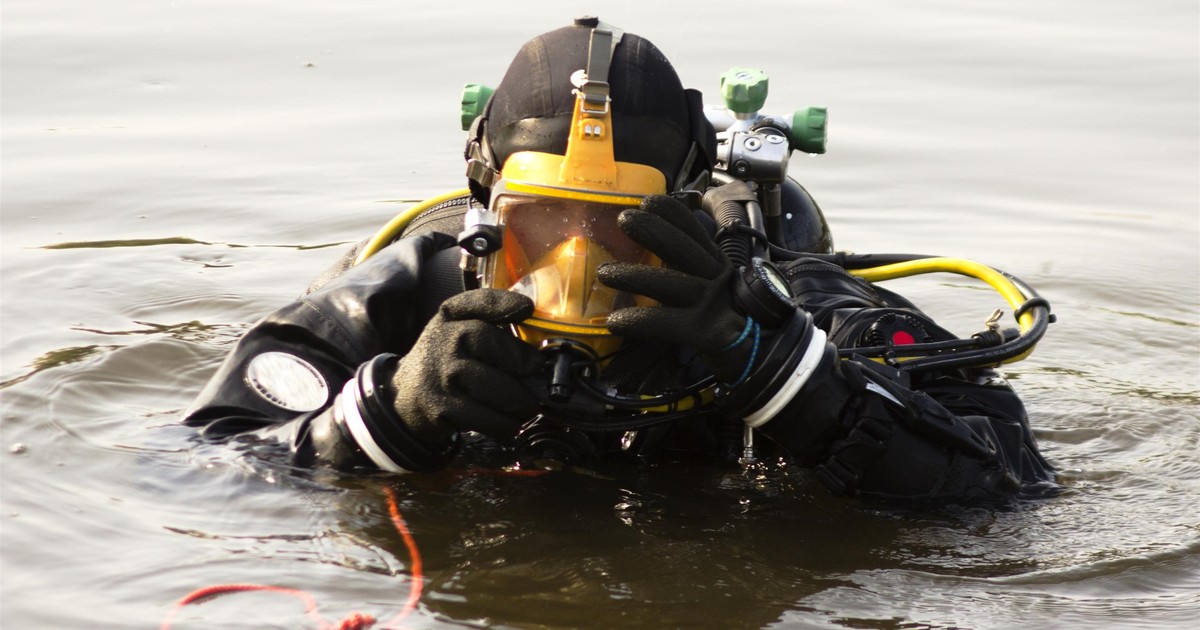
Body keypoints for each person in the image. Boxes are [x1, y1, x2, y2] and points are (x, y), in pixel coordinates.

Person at [184, 18, 1055, 502]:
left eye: (619, 224)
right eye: (543, 221)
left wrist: (784, 373)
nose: (576, 258)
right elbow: (192, 469)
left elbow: (1012, 482)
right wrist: (387, 415)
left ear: (689, 207)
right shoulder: (407, 296)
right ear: (486, 200)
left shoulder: (766, 303)